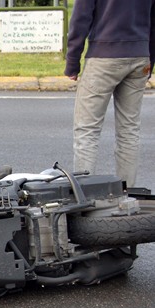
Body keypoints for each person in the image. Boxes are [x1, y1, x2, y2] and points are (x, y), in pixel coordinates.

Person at [65, 0, 154, 188]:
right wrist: (150, 60)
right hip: (140, 55)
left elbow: (80, 18)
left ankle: (85, 192)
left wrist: (72, 62)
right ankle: (127, 192)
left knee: (87, 130)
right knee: (129, 130)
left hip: (103, 56)